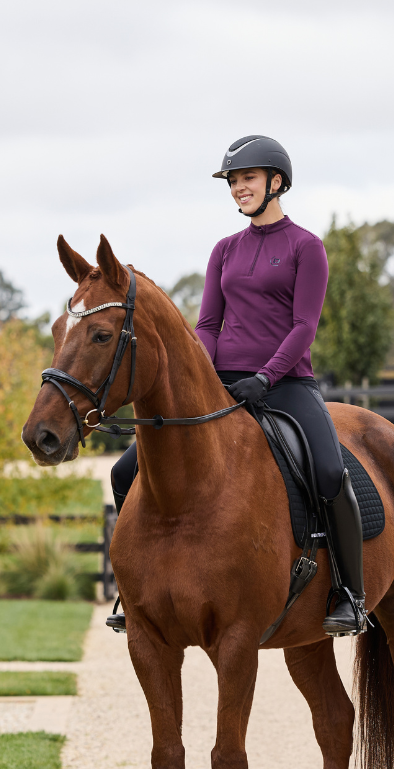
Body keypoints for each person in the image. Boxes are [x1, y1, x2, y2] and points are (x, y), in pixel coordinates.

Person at [107, 135, 366, 637]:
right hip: (223, 386)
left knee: (332, 474)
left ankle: (348, 593)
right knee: (124, 473)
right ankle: (134, 584)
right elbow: (207, 325)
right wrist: (204, 376)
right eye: (232, 181)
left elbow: (303, 327)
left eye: (246, 178)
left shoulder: (306, 247)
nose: (237, 189)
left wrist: (266, 376)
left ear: (276, 182)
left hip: (287, 383)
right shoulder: (224, 250)